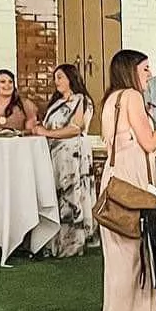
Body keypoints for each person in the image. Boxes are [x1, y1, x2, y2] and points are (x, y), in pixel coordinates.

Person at [89, 51, 156, 311]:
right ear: (131, 71)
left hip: (113, 179)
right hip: (130, 180)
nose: (150, 74)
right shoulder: (132, 97)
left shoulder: (111, 99)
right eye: (145, 69)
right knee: (132, 259)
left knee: (120, 261)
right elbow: (149, 143)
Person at [36, 63, 95, 258]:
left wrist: (47, 133)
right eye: (55, 78)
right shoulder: (57, 102)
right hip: (55, 155)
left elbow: (76, 128)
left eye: (60, 77)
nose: (56, 81)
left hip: (72, 155)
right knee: (56, 195)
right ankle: (54, 242)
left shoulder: (81, 100)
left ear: (71, 78)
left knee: (72, 196)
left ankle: (72, 244)